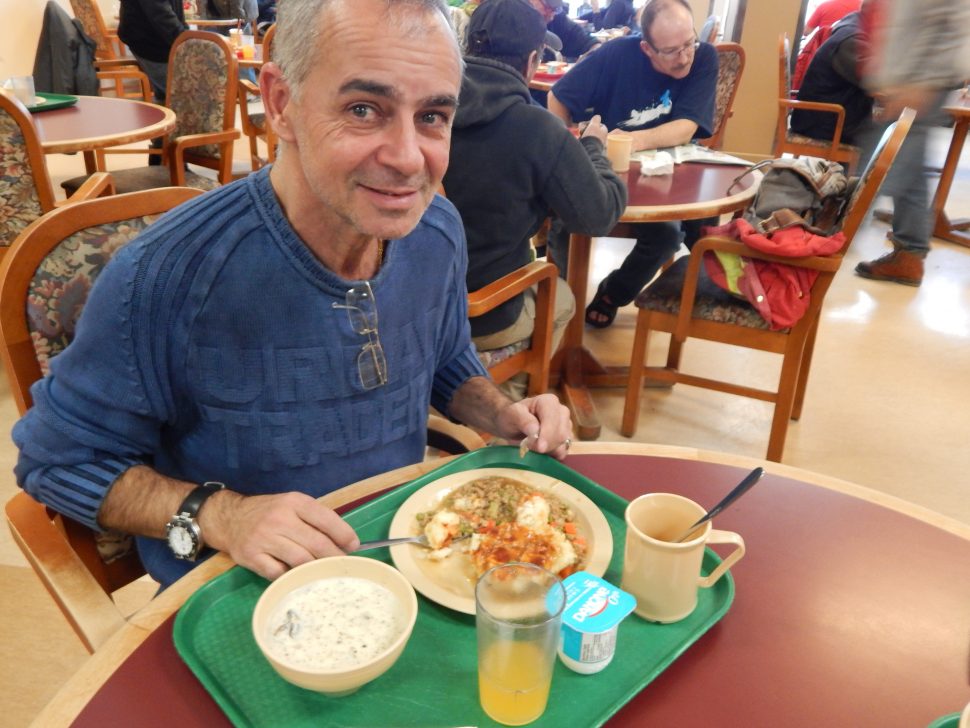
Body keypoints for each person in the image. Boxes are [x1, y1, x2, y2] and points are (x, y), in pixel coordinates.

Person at [12, 0, 573, 589]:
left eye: (432, 115)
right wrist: (223, 514)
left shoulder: (437, 230)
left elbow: (443, 356)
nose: (409, 158)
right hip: (240, 592)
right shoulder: (164, 277)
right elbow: (56, 461)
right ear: (281, 103)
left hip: (401, 556)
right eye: (364, 109)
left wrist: (499, 412)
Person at [442, 0, 627, 398]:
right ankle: (507, 399)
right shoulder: (539, 130)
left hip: (413, 307)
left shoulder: (429, 110)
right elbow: (598, 216)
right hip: (484, 316)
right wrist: (595, 147)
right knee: (560, 297)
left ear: (467, 48)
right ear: (532, 60)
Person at [546, 0, 717, 327]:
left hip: (661, 176)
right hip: (603, 173)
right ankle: (563, 306)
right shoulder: (616, 55)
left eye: (688, 44)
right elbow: (559, 96)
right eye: (670, 51)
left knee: (668, 236)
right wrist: (566, 146)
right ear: (646, 48)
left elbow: (687, 126)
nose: (684, 58)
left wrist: (626, 139)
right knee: (567, 221)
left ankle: (614, 292)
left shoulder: (703, 57)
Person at [854, 0, 970, 286]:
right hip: (912, 78)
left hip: (921, 81)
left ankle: (841, 233)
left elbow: (952, 21)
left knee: (889, 161)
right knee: (909, 164)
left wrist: (923, 81)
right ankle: (909, 255)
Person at [790, 11, 873, 145]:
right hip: (823, 123)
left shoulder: (850, 28)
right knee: (886, 134)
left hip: (818, 117)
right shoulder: (853, 41)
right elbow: (876, 82)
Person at [117, 0, 188, 103]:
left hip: (154, 39)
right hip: (149, 42)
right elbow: (161, 14)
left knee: (172, 94)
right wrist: (185, 40)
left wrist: (186, 36)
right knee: (179, 95)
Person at [528, 0, 600, 61]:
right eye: (547, 6)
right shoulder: (517, 20)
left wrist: (582, 65)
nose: (551, 17)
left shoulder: (558, 19)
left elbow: (592, 44)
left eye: (555, 9)